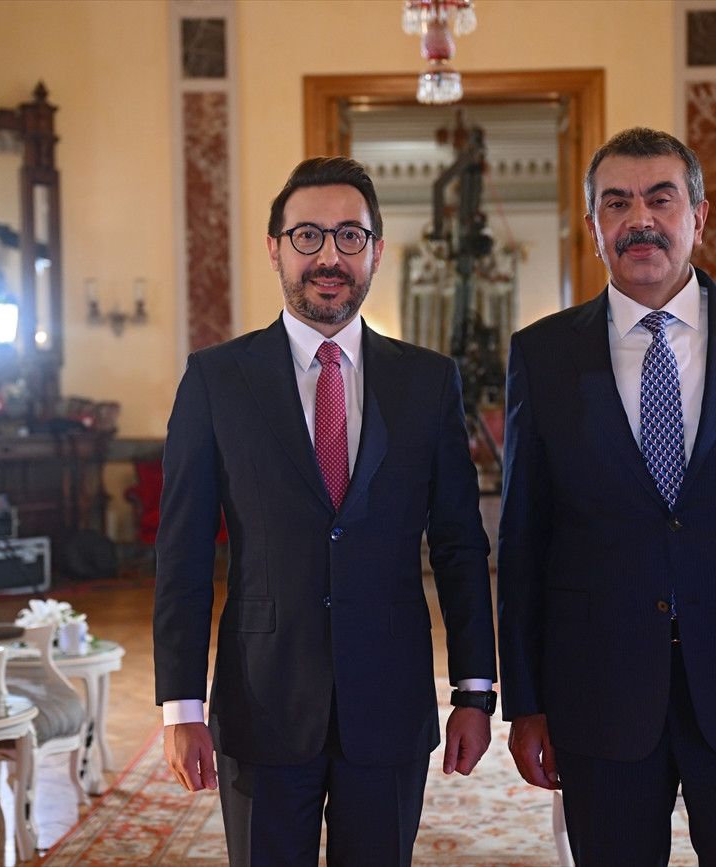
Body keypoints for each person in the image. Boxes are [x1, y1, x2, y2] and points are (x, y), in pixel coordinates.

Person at [497, 128, 716, 866]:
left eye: (661, 199)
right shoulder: (543, 354)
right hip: (600, 691)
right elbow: (524, 540)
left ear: (698, 216)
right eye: (617, 203)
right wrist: (525, 702)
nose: (641, 219)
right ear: (593, 225)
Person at [153, 156, 498, 867]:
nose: (329, 256)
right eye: (307, 235)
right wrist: (182, 707)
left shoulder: (428, 382)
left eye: (349, 236)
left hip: (391, 700)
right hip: (262, 698)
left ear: (377, 250)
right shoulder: (217, 379)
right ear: (275, 248)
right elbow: (182, 552)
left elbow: (460, 544)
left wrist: (474, 689)